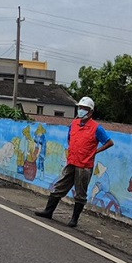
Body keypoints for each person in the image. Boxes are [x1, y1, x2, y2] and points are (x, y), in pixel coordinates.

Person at [33, 96, 113, 227]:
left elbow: (109, 142)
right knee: (60, 185)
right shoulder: (74, 124)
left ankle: (74, 219)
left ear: (91, 111)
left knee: (80, 192)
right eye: (80, 108)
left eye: (85, 108)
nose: (81, 110)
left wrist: (95, 151)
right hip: (72, 161)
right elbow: (70, 138)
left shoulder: (96, 128)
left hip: (85, 165)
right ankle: (48, 211)